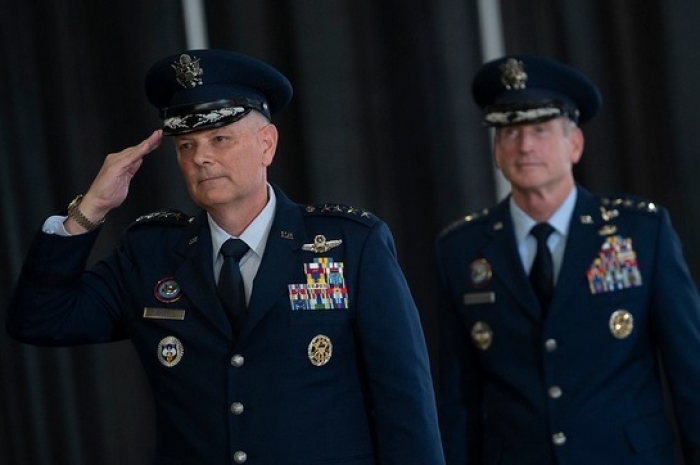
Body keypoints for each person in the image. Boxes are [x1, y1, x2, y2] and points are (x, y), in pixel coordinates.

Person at [6, 49, 445, 464]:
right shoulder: (151, 253)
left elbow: (404, 403)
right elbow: (40, 319)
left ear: (267, 144)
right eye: (186, 146)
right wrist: (90, 211)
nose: (202, 158)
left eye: (220, 138)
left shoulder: (351, 246)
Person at [436, 55, 700, 464]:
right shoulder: (461, 250)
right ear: (496, 151)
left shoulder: (642, 233)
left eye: (540, 129)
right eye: (509, 131)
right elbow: (456, 396)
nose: (525, 146)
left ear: (574, 144)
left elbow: (691, 372)